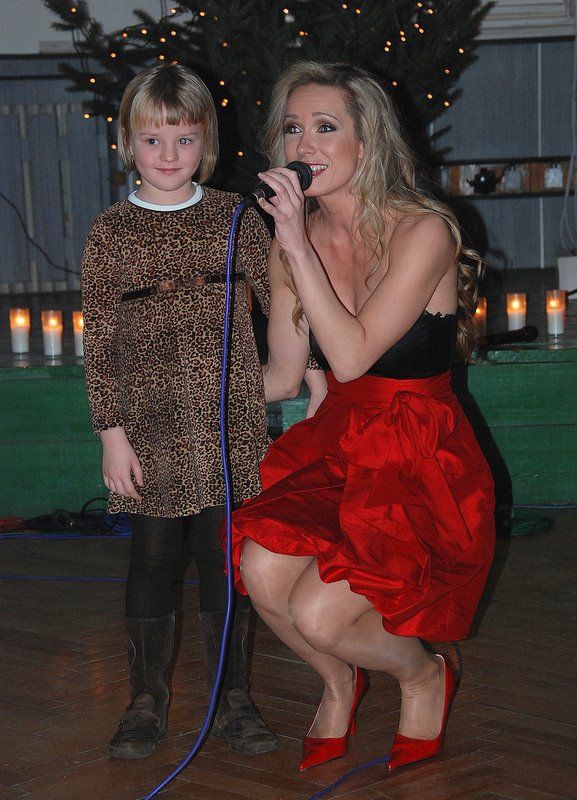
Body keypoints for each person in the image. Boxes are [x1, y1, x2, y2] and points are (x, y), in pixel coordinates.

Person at [227, 61, 496, 773]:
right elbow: (284, 376)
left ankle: (422, 674)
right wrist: (183, 394)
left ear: (367, 141)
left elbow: (349, 358)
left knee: (321, 613)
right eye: (292, 129)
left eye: (325, 127)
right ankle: (338, 683)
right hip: (340, 442)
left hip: (416, 453)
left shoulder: (425, 231)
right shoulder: (292, 242)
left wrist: (293, 243)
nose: (304, 145)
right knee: (261, 569)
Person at [82, 63, 301, 760]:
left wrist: (307, 371)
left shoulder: (234, 216)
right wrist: (111, 435)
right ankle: (145, 699)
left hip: (227, 428)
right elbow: (99, 343)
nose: (169, 155)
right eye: (153, 140)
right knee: (152, 558)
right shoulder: (111, 232)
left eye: (184, 138)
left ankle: (232, 697)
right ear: (128, 143)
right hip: (148, 429)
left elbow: (286, 299)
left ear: (206, 141)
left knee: (222, 559)